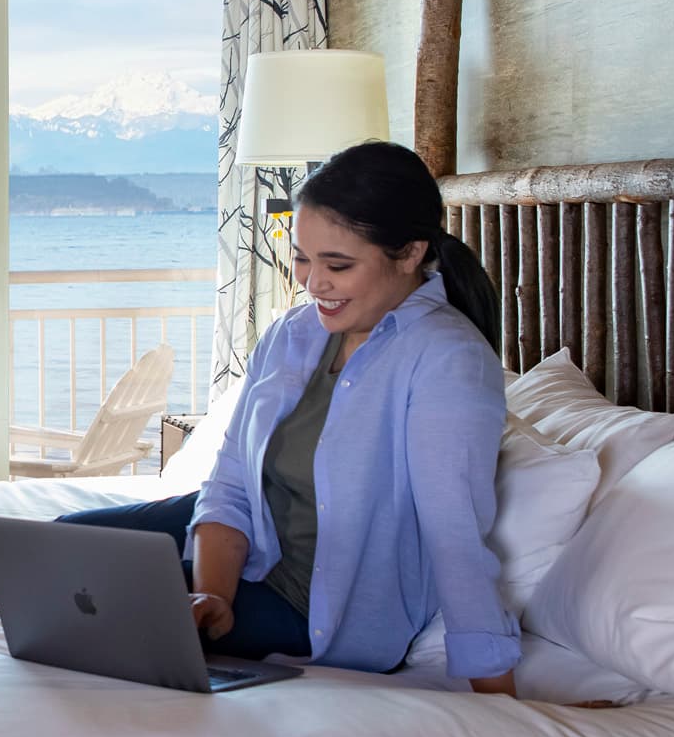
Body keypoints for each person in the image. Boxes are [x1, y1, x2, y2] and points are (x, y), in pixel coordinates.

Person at [58, 140, 519, 694]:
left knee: (106, 604)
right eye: (302, 256)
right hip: (252, 542)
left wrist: (506, 704)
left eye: (337, 265)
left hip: (314, 602)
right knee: (63, 554)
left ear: (411, 252)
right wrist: (215, 597)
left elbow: (455, 536)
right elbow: (231, 480)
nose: (312, 282)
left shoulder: (447, 360)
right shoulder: (292, 334)